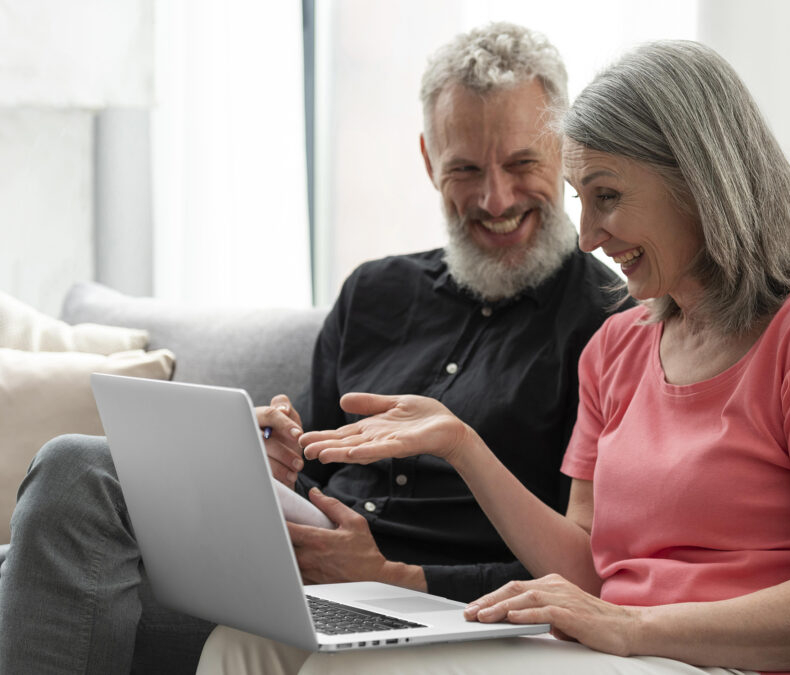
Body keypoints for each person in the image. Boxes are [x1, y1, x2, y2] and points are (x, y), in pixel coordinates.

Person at [198, 39, 790, 675]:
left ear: (698, 182)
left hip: (726, 659)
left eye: (608, 197)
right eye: (581, 198)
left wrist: (632, 627)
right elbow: (590, 567)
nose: (591, 234)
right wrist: (459, 440)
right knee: (243, 644)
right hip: (616, 648)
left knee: (340, 669)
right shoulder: (619, 347)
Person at [0, 22, 627, 675]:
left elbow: (589, 566)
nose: (495, 198)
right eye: (464, 169)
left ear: (564, 151)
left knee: (76, 470)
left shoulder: (610, 329)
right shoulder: (376, 292)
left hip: (426, 605)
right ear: (427, 159)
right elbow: (314, 472)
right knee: (46, 540)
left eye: (522, 163)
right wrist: (274, 458)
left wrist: (395, 572)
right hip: (284, 580)